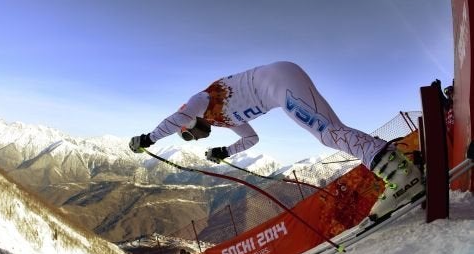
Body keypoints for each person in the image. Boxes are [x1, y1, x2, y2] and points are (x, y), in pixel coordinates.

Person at [129, 61, 424, 221]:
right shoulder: (223, 120)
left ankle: (400, 174)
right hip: (282, 83)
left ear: (188, 119)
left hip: (280, 83)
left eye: (190, 132)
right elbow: (251, 139)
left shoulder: (199, 100)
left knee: (328, 133)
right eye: (192, 138)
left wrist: (148, 138)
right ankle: (396, 165)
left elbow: (172, 120)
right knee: (331, 131)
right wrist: (225, 150)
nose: (195, 136)